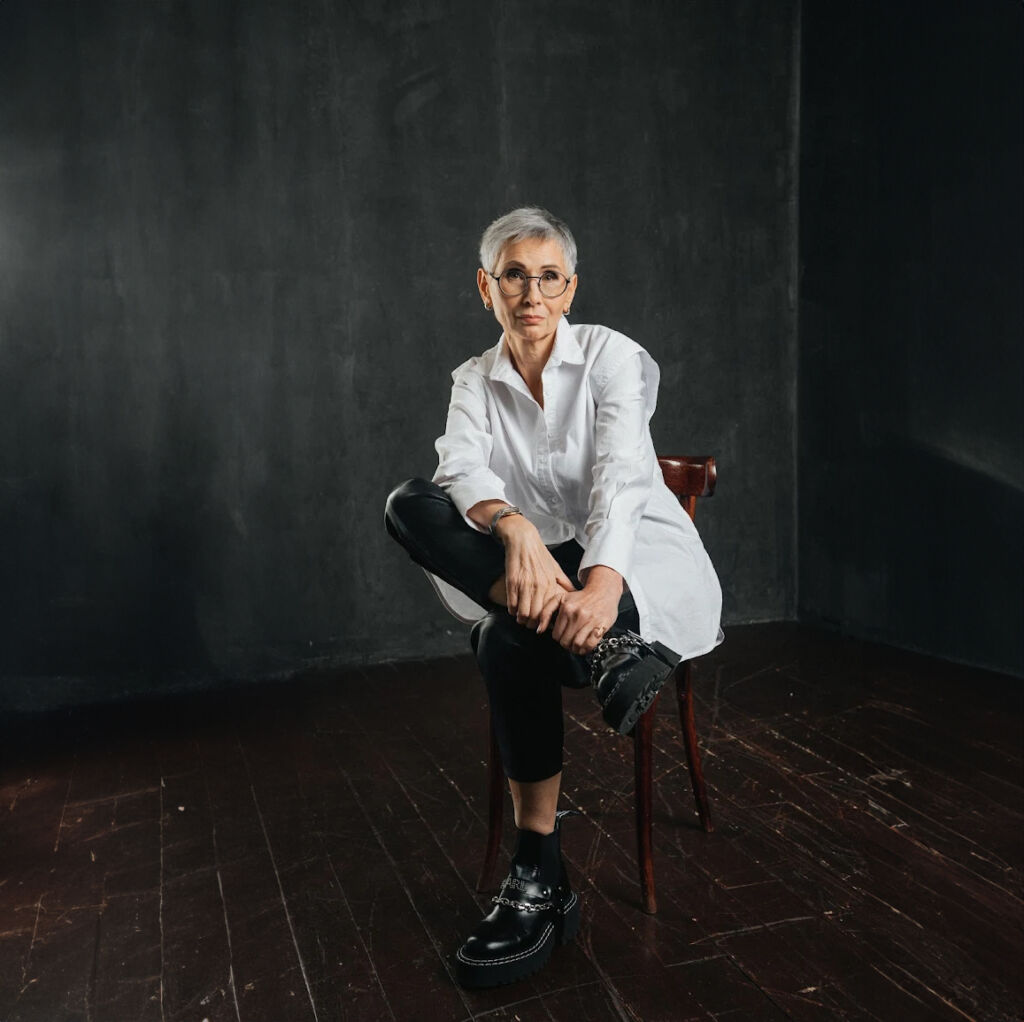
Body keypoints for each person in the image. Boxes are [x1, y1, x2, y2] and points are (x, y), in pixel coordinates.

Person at [384, 207, 722, 988]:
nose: (530, 294)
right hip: (535, 570)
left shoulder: (612, 356)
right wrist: (516, 530)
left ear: (570, 289)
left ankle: (538, 875)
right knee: (407, 503)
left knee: (503, 638)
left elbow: (623, 480)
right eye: (514, 276)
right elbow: (458, 471)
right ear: (486, 288)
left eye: (548, 277)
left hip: (635, 562)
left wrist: (600, 587)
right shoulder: (473, 379)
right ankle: (606, 658)